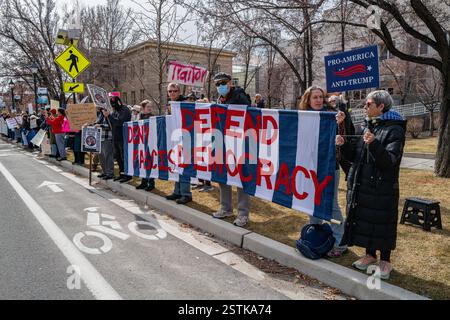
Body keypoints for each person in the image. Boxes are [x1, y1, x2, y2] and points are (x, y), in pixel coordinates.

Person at [336, 90, 406, 280]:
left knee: (382, 222)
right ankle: (369, 255)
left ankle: (385, 261)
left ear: (381, 107)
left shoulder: (395, 129)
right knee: (366, 219)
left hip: (382, 187)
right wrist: (343, 145)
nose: (365, 107)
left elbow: (390, 162)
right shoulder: (366, 126)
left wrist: (375, 144)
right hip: (363, 183)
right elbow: (354, 156)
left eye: (368, 104)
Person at [298, 86, 348, 258]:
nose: (319, 100)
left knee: (331, 203)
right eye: (315, 97)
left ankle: (341, 243)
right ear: (308, 100)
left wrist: (341, 126)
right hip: (309, 167)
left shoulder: (333, 116)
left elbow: (346, 140)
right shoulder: (302, 118)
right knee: (312, 202)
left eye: (321, 97)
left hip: (329, 167)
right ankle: (314, 234)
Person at [212, 72, 252, 227]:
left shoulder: (240, 96)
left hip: (239, 142)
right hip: (223, 142)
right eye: (217, 84)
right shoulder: (219, 100)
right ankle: (226, 208)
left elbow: (247, 116)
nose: (220, 86)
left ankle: (243, 213)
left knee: (240, 177)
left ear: (230, 83)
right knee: (223, 176)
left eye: (223, 82)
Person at [165, 82, 192, 204]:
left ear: (179, 92)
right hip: (174, 139)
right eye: (170, 91)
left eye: (174, 91)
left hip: (185, 139)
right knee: (176, 166)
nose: (172, 93)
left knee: (184, 166)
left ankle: (186, 194)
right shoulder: (171, 105)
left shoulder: (185, 104)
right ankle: (177, 191)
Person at [105, 96, 132, 183]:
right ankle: (121, 173)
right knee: (118, 157)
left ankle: (127, 175)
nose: (113, 107)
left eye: (114, 105)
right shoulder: (115, 111)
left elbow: (120, 122)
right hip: (115, 137)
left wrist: (109, 116)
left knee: (124, 157)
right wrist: (107, 116)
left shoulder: (125, 110)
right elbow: (111, 123)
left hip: (123, 137)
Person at [135, 99, 157, 191]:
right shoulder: (139, 117)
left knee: (149, 163)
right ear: (143, 108)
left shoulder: (152, 117)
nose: (150, 108)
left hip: (150, 143)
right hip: (141, 143)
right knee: (142, 164)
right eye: (148, 107)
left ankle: (151, 183)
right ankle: (143, 182)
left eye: (150, 107)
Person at [95, 106, 114, 180]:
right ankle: (104, 172)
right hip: (99, 138)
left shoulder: (109, 114)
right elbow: (96, 123)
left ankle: (110, 173)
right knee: (101, 157)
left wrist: (100, 125)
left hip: (107, 138)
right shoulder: (100, 115)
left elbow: (111, 126)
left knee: (108, 157)